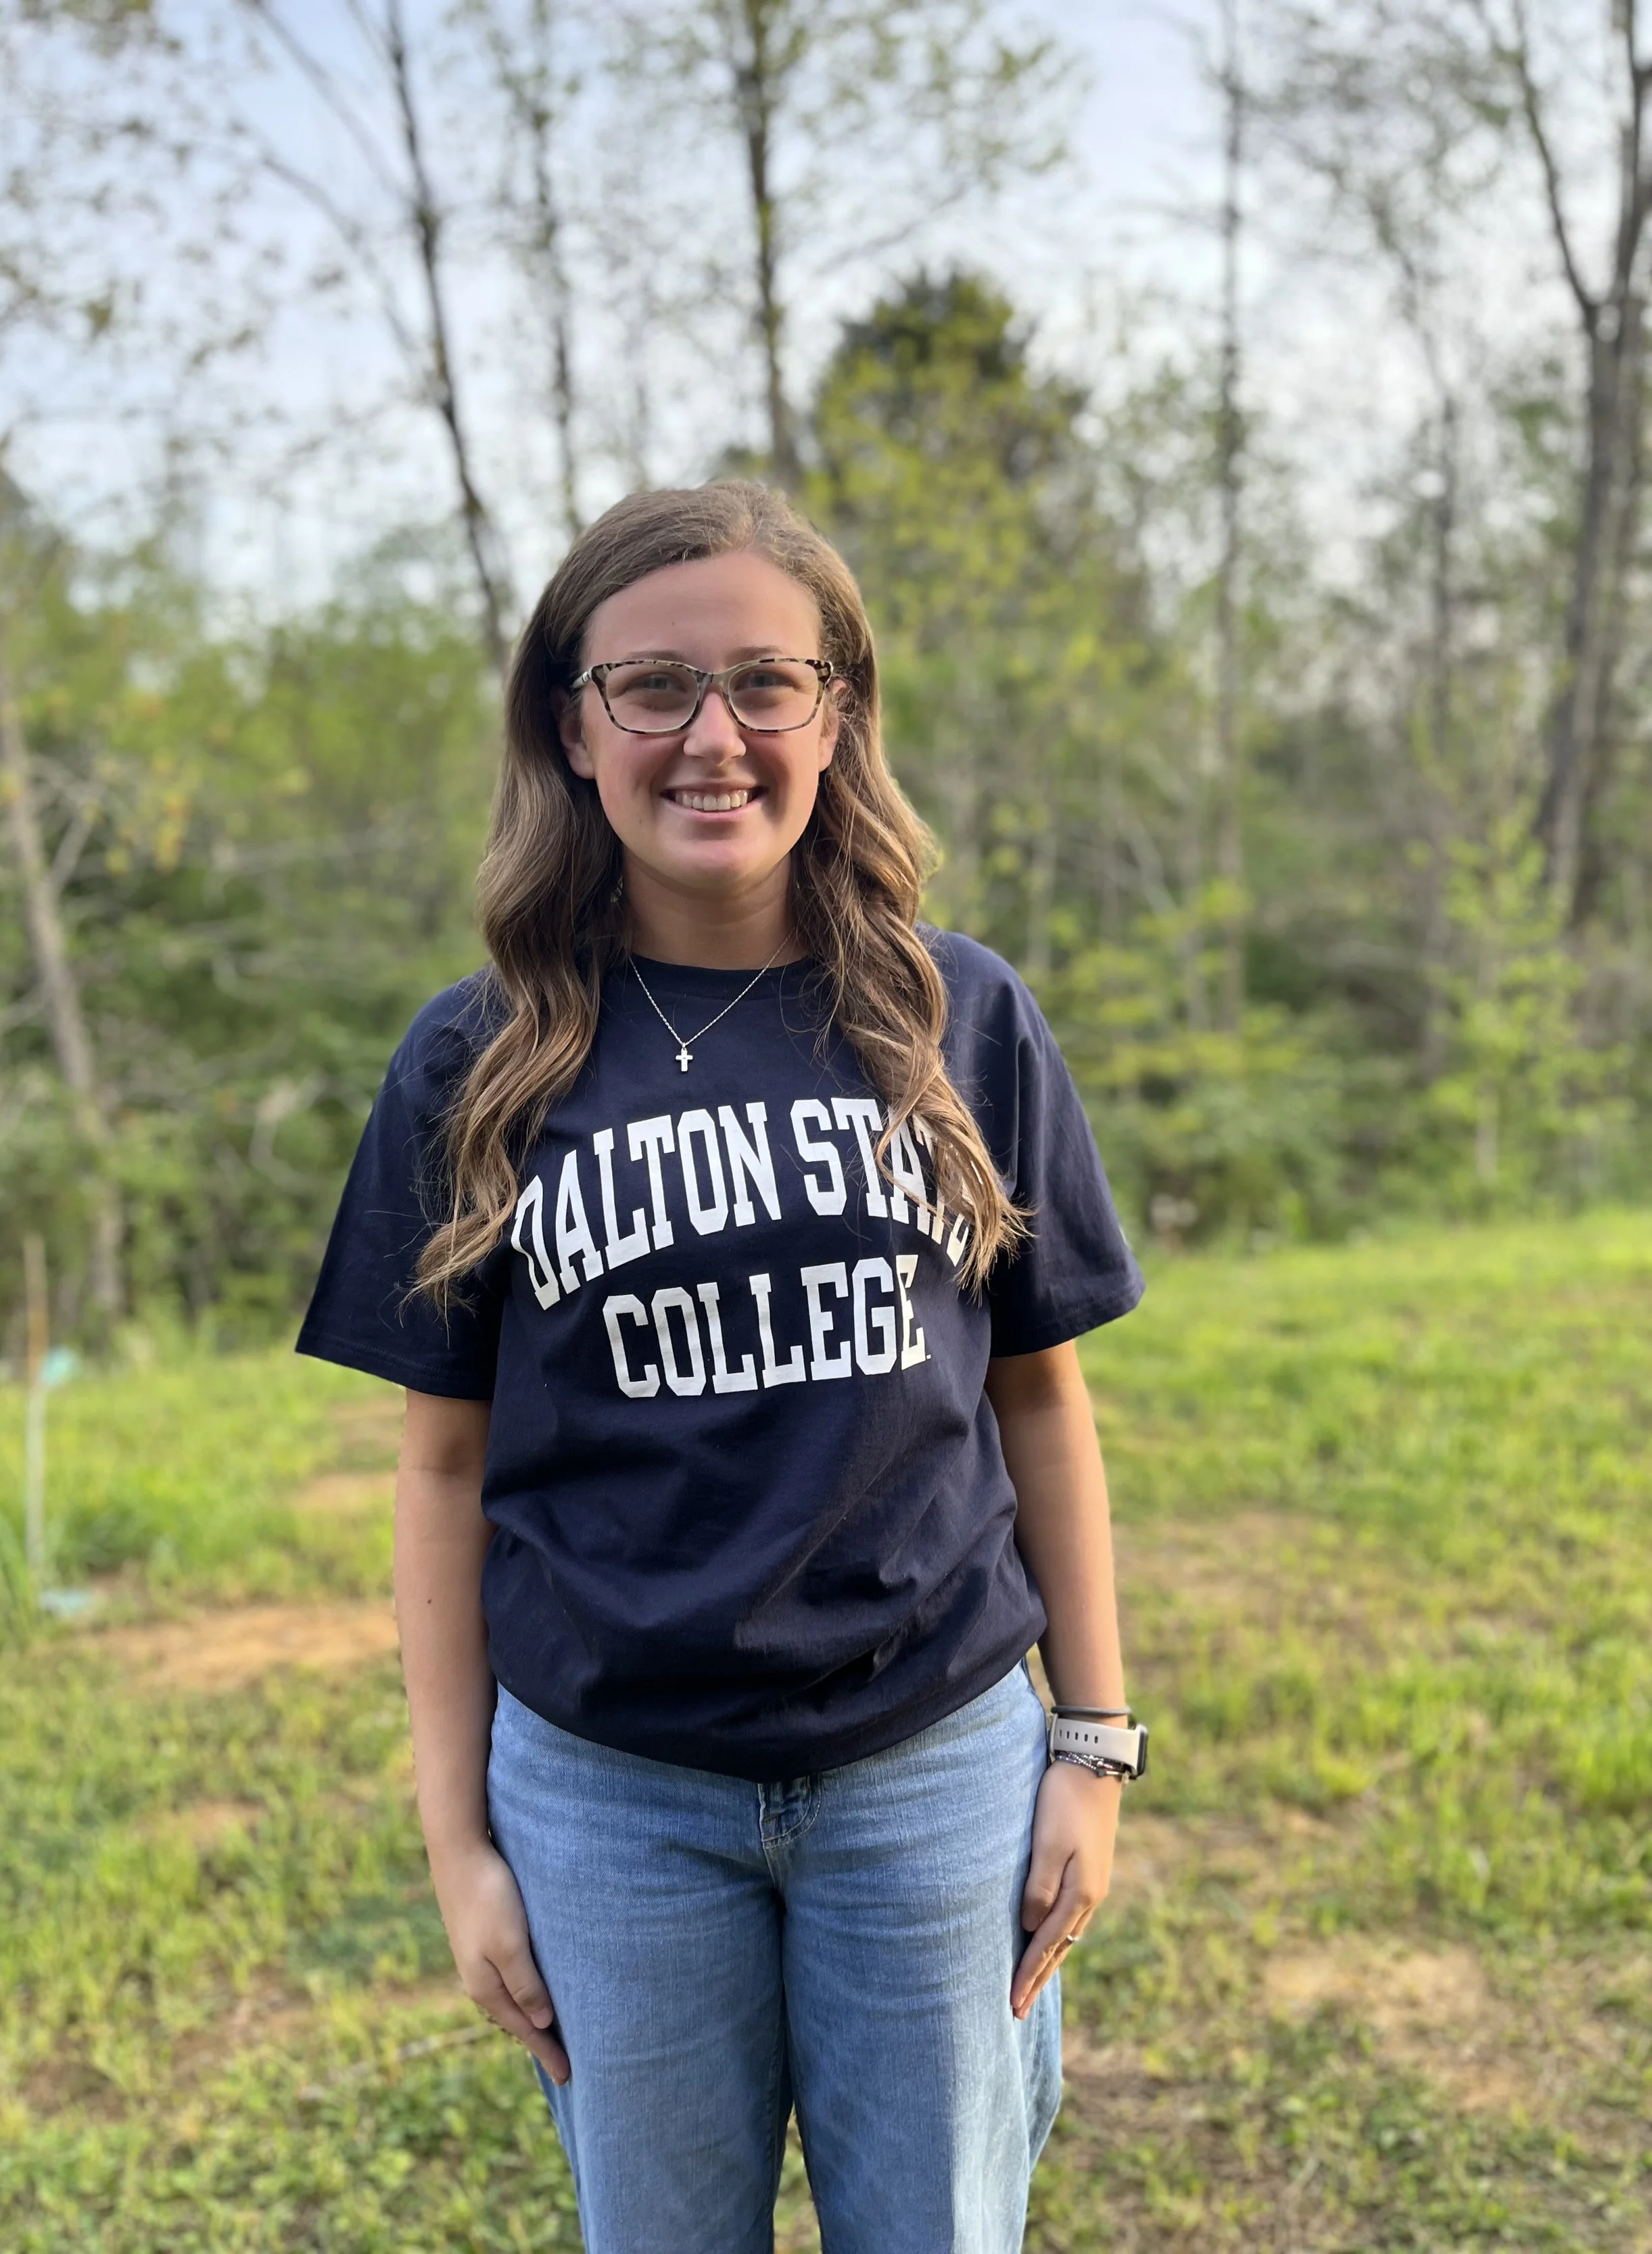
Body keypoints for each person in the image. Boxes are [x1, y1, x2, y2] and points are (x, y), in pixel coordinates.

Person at [297, 479, 1146, 2254]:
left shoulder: (954, 1014)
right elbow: (440, 1472)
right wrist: (459, 1848)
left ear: (835, 711)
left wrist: (1088, 1742)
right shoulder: (477, 1059)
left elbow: (1039, 1401)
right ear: (570, 720)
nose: (712, 736)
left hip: (927, 1768)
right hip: (607, 1798)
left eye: (765, 681)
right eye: (650, 685)